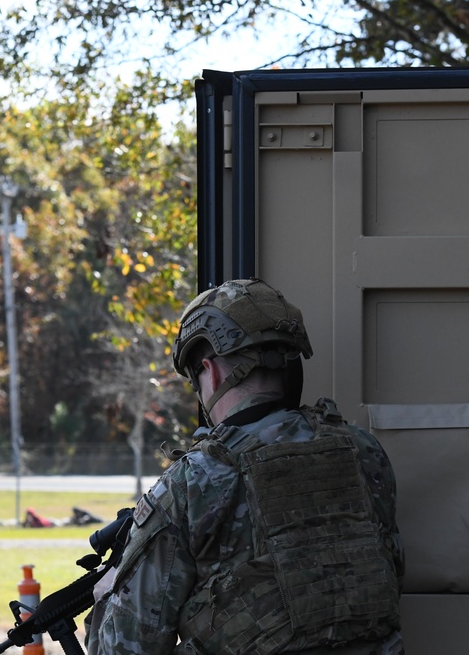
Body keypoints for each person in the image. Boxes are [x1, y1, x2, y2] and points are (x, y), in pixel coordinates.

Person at [85, 279, 404, 655]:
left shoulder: (192, 482)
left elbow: (125, 648)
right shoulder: (364, 451)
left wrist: (107, 595)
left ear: (211, 372)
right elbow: (390, 575)